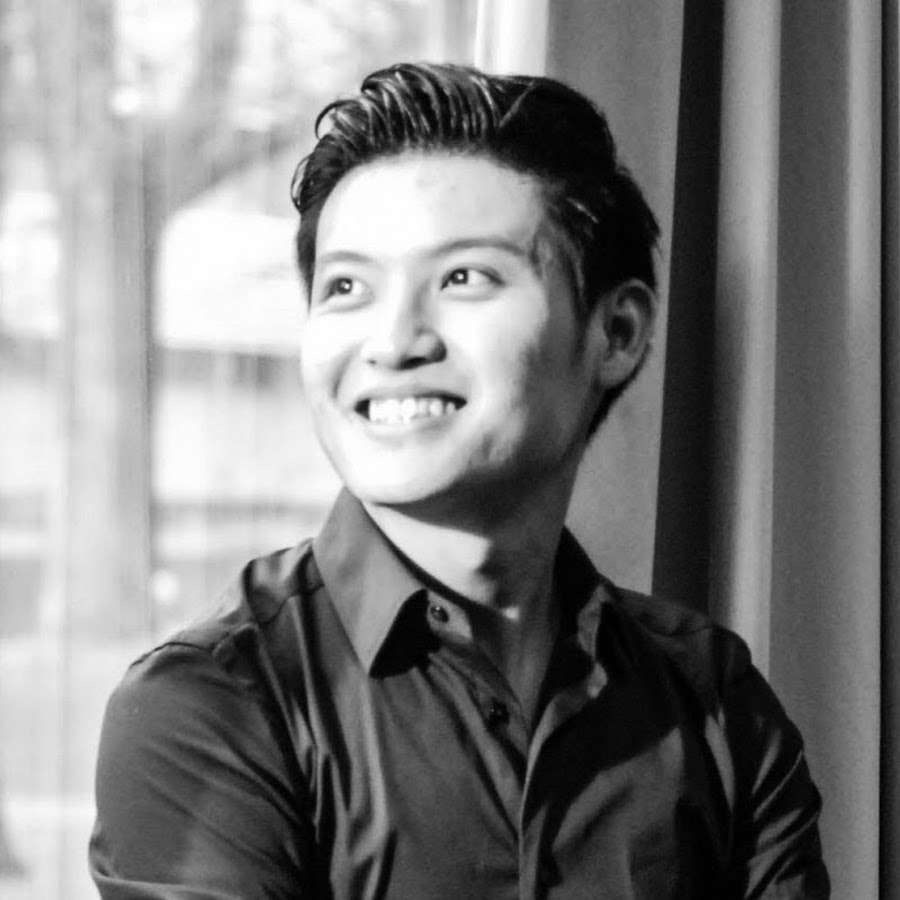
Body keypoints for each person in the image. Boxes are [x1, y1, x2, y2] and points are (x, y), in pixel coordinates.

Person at [89, 63, 830, 899]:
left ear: (616, 333)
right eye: (347, 287)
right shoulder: (213, 704)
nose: (393, 342)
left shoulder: (712, 697)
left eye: (463, 278)